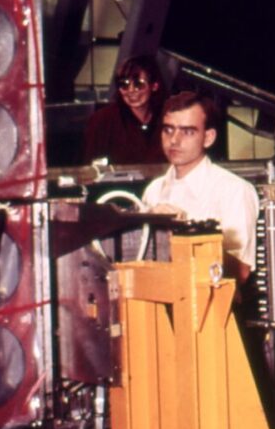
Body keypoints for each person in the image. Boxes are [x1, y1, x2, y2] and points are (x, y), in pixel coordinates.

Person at [141, 91, 259, 275]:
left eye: (187, 131)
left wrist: (186, 233)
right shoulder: (154, 191)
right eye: (168, 129)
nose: (174, 140)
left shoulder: (234, 191)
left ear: (208, 137)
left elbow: (241, 271)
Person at [84, 55, 165, 165]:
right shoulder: (102, 120)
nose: (130, 91)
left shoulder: (167, 118)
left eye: (138, 84)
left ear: (154, 86)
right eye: (124, 85)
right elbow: (90, 165)